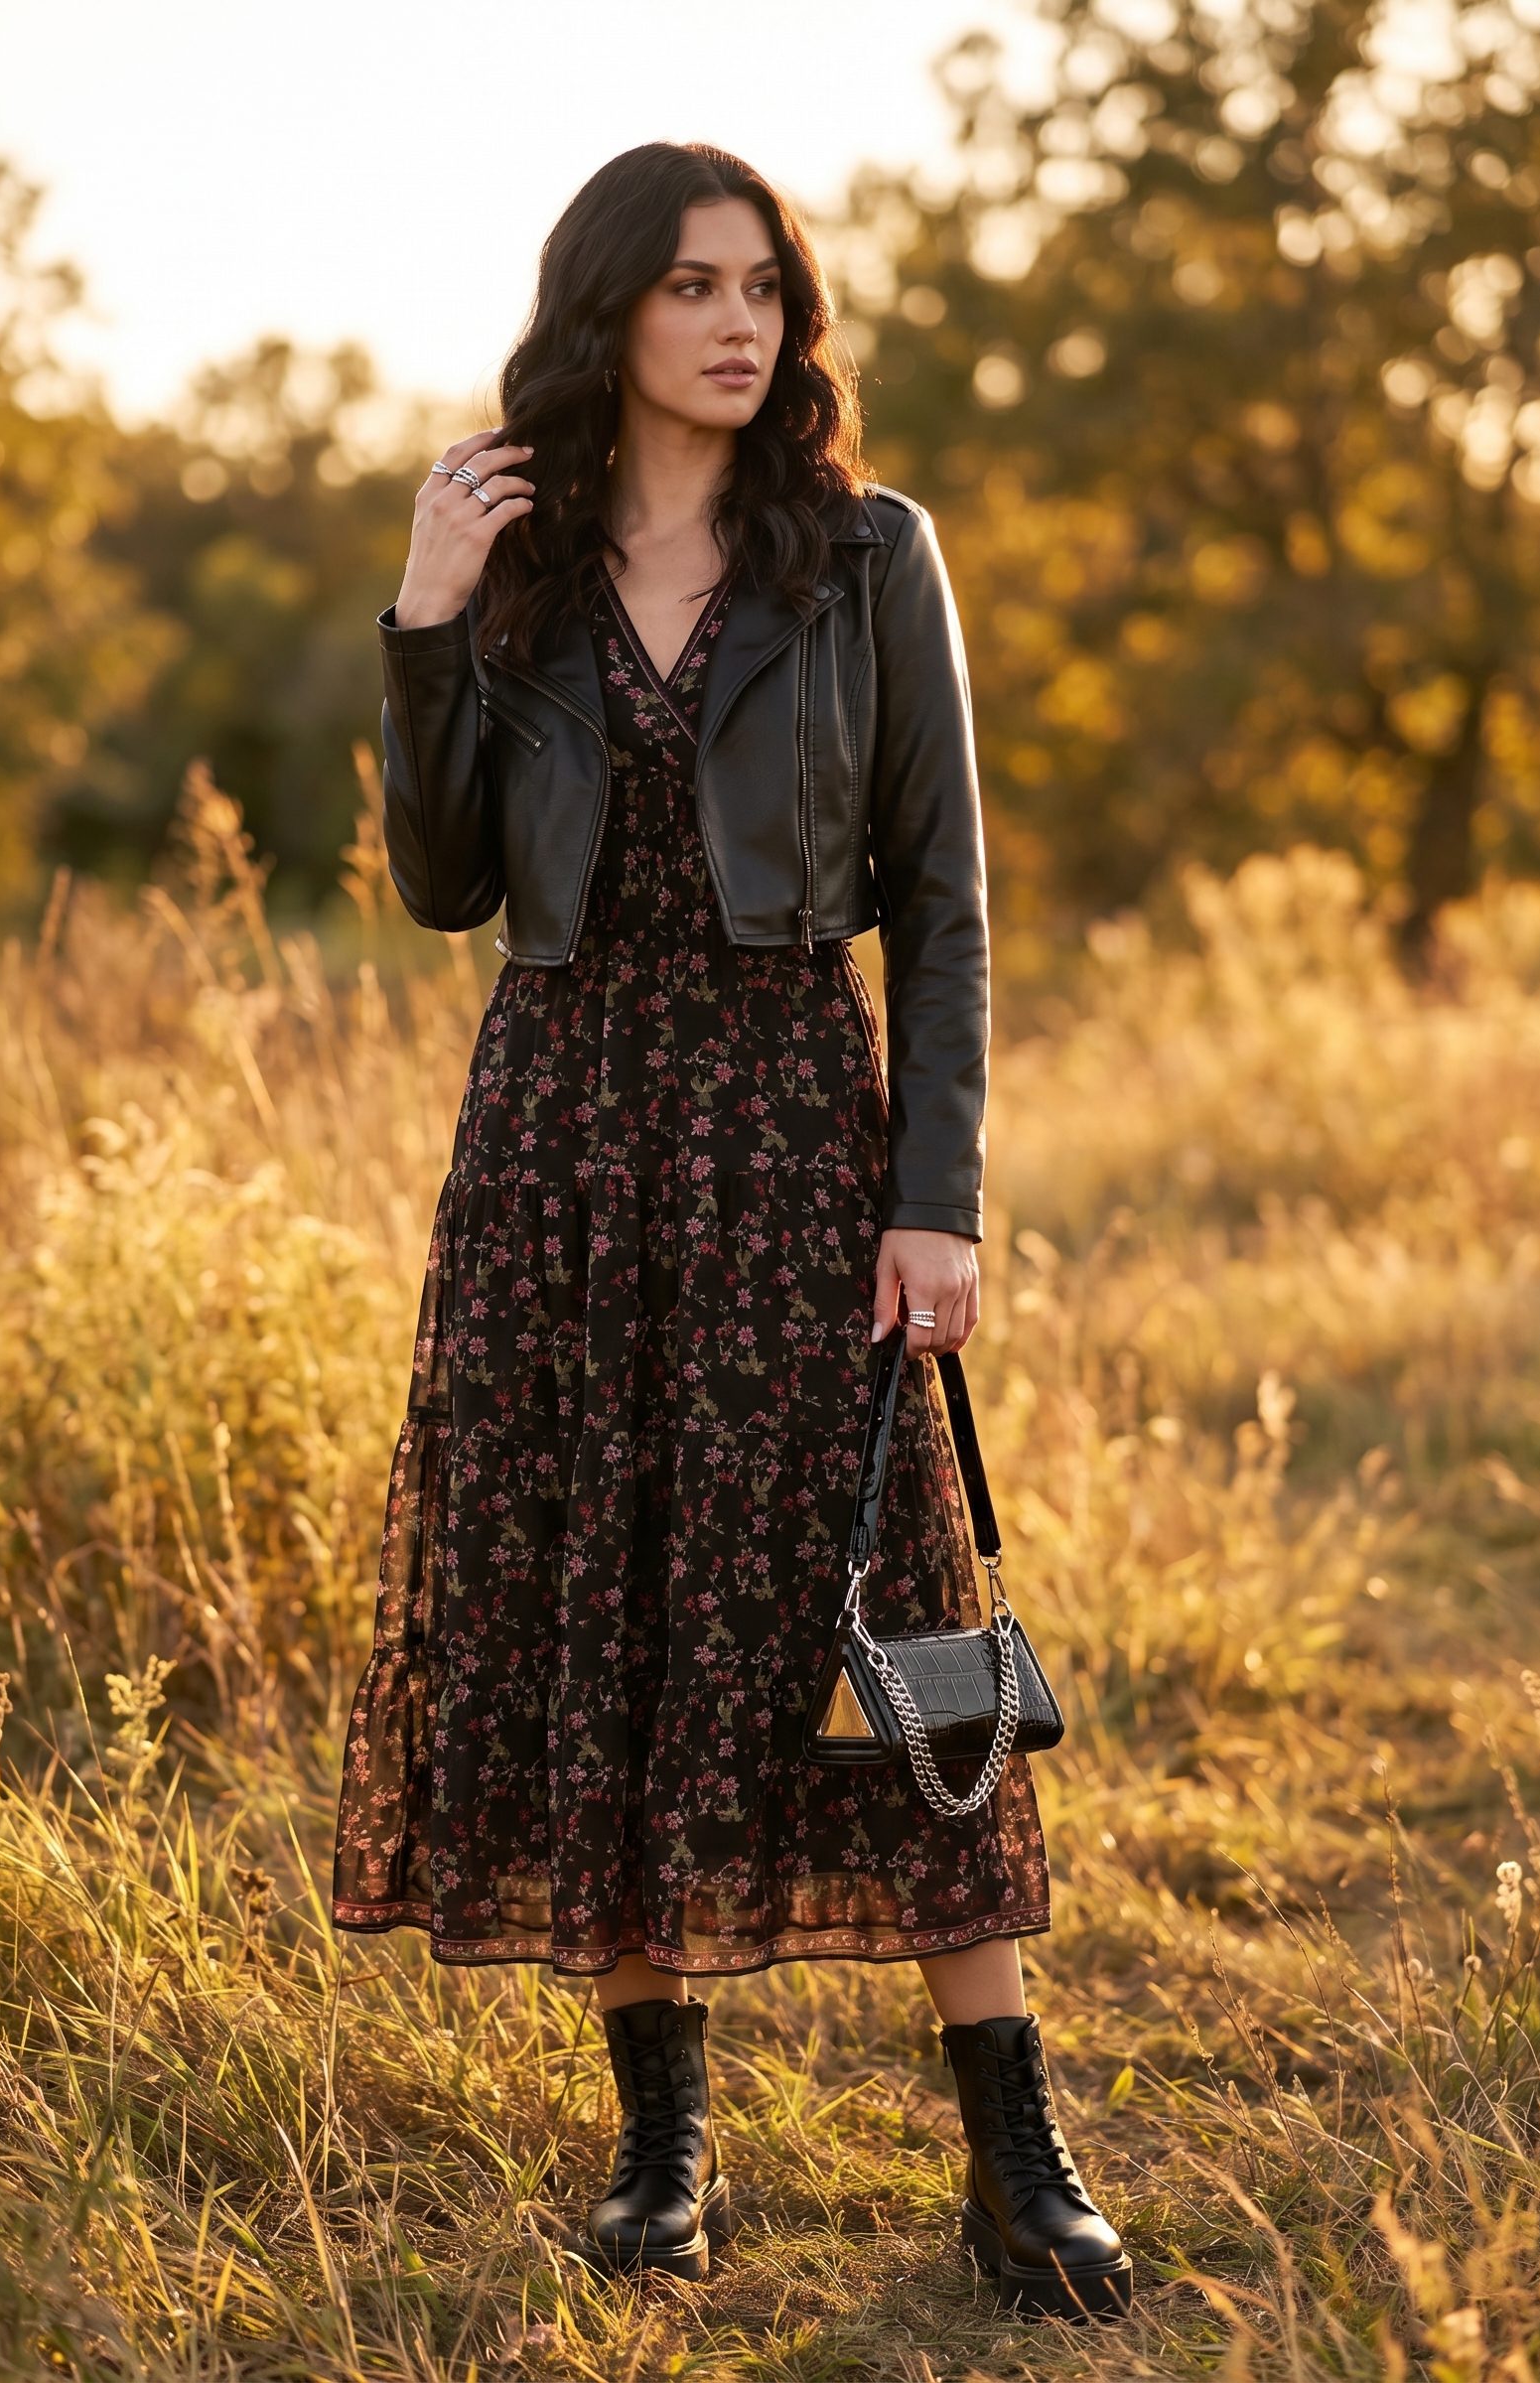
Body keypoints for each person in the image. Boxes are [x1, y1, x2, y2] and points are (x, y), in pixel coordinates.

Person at [332, 141, 1129, 2322]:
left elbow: (946, 907)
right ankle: (660, 2145)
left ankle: (1012, 2150)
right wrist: (415, 614)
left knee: (884, 1614)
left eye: (761, 285)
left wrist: (931, 1198)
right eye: (688, 286)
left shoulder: (864, 558)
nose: (734, 321)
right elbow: (438, 887)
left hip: (789, 1119)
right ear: (605, 312)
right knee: (596, 1603)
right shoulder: (505, 566)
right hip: (562, 1137)